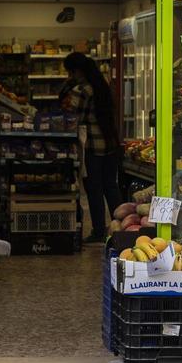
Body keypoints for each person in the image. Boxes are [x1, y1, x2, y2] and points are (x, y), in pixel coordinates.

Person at [61, 51, 124, 244]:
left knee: (94, 189)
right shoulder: (101, 85)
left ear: (76, 71)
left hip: (91, 146)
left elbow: (74, 118)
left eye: (70, 72)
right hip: (110, 143)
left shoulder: (81, 90)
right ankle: (121, 227)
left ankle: (98, 231)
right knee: (110, 186)